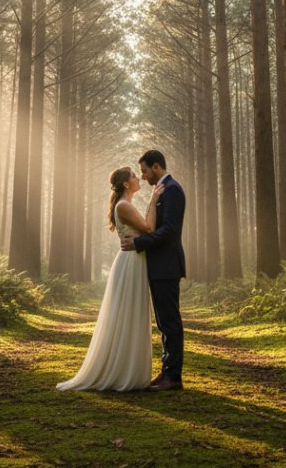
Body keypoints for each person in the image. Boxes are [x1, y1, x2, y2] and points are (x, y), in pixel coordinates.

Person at [56, 166, 163, 391]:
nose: (137, 178)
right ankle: (123, 372)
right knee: (129, 313)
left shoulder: (125, 204)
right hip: (131, 263)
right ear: (126, 183)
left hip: (133, 261)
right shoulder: (124, 205)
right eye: (134, 176)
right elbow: (149, 228)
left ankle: (129, 370)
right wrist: (153, 200)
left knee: (131, 313)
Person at [121, 149, 185, 392]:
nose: (143, 175)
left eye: (145, 171)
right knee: (163, 322)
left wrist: (138, 243)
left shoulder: (173, 190)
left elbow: (169, 230)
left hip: (167, 264)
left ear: (156, 167)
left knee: (170, 321)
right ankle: (167, 371)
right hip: (160, 265)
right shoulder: (163, 190)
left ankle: (173, 377)